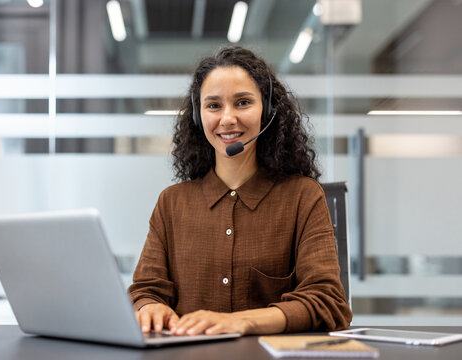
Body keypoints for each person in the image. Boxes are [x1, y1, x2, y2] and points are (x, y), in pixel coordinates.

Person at [128, 46, 352, 336]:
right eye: (213, 105)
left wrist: (244, 320)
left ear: (268, 111)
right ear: (198, 117)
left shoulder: (302, 197)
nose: (227, 119)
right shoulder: (172, 203)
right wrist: (148, 306)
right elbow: (145, 290)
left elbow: (328, 303)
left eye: (243, 102)